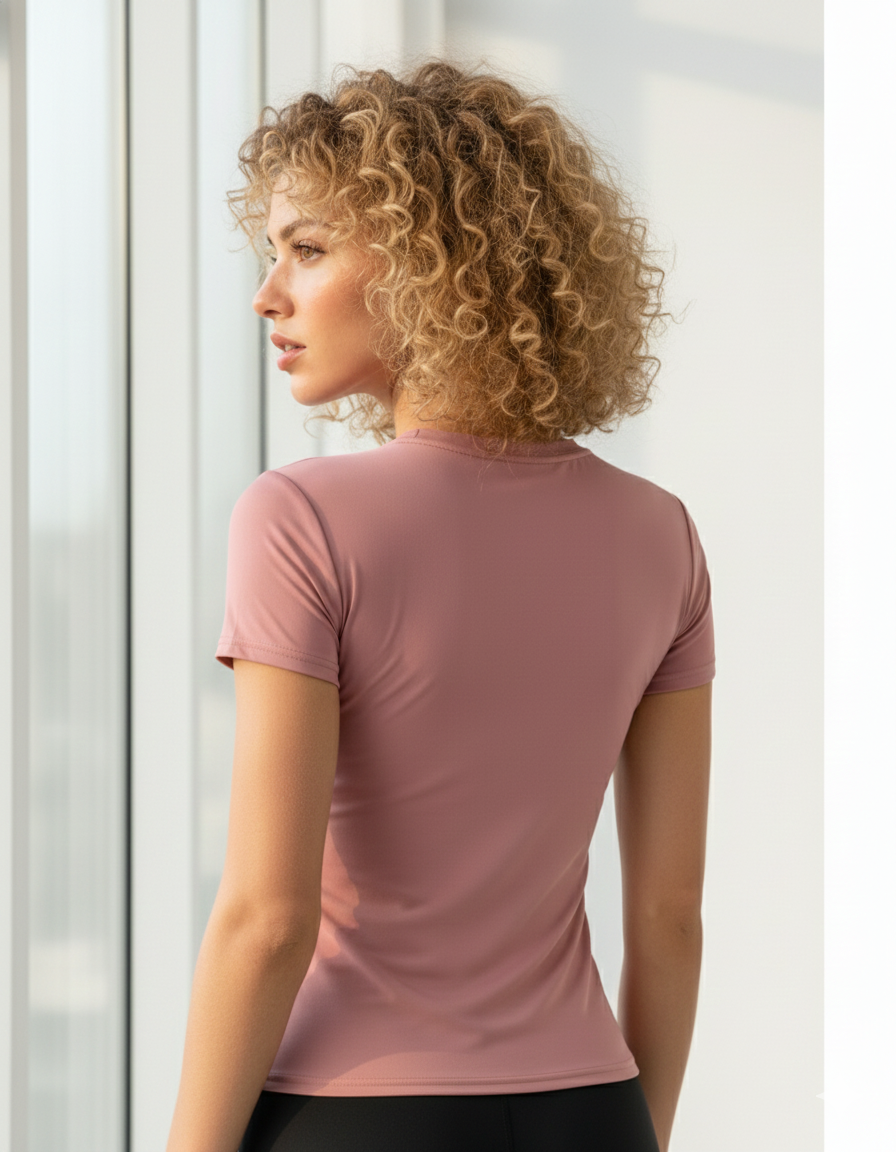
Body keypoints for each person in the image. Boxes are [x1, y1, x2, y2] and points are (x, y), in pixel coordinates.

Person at [164, 60, 714, 1152]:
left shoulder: (298, 518)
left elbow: (266, 921)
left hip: (351, 1117)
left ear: (433, 263)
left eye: (307, 249)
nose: (268, 293)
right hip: (587, 1111)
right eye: (270, 253)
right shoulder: (662, 534)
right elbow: (666, 920)